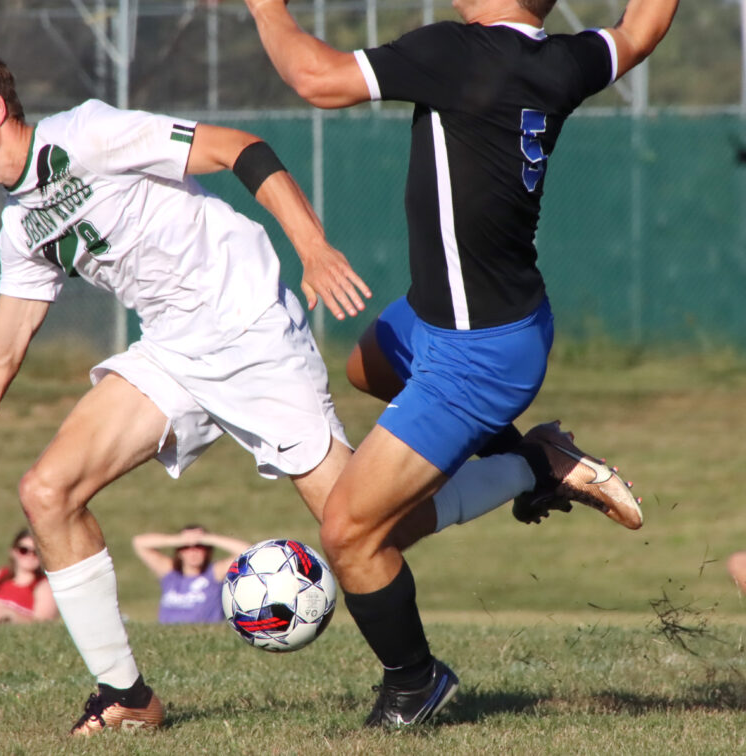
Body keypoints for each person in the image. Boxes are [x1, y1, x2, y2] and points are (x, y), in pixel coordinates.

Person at [0, 30, 373, 738]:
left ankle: (527, 466)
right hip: (172, 351)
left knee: (366, 525)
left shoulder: (86, 134)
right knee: (47, 491)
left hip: (249, 326)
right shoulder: (22, 227)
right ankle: (127, 696)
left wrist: (313, 246)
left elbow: (240, 148)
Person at [244, 0, 678, 731]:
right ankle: (531, 456)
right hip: (458, 320)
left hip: (477, 356)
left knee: (353, 532)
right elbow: (640, 30)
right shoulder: (561, 60)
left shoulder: (461, 53)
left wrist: (265, 9)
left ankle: (415, 683)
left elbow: (316, 78)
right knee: (366, 370)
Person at [132, 525, 251, 624]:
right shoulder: (170, 572)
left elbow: (247, 551)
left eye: (199, 547)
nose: (193, 552)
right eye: (186, 547)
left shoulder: (214, 573)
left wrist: (207, 538)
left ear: (207, 550)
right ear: (179, 552)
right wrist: (179, 540)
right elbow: (139, 542)